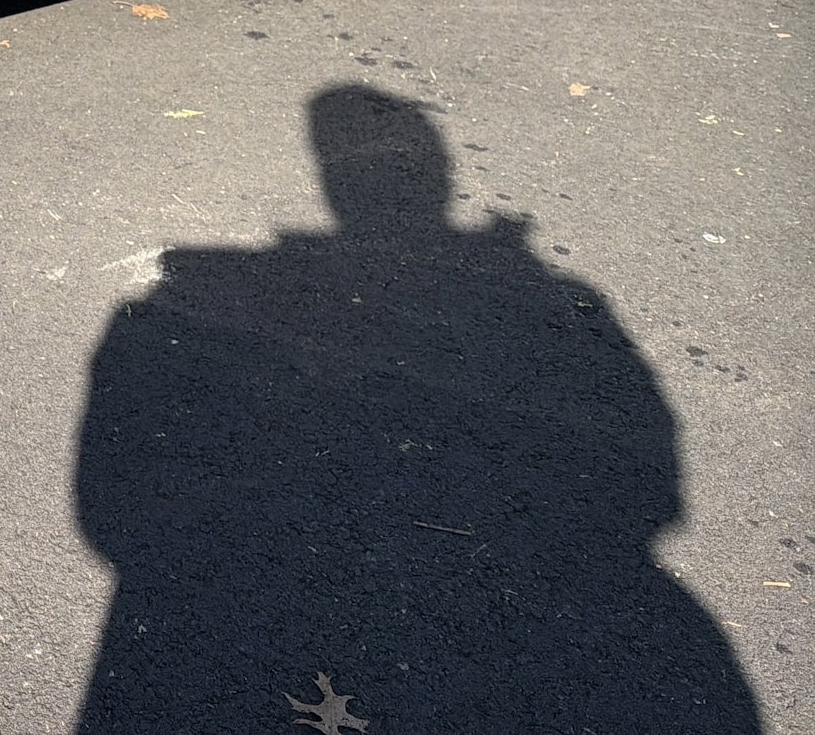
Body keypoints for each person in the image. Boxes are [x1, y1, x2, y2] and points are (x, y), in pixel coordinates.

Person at [72, 85, 761, 733]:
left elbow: (110, 499)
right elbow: (652, 476)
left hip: (195, 602)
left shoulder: (165, 304)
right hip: (583, 600)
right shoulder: (555, 294)